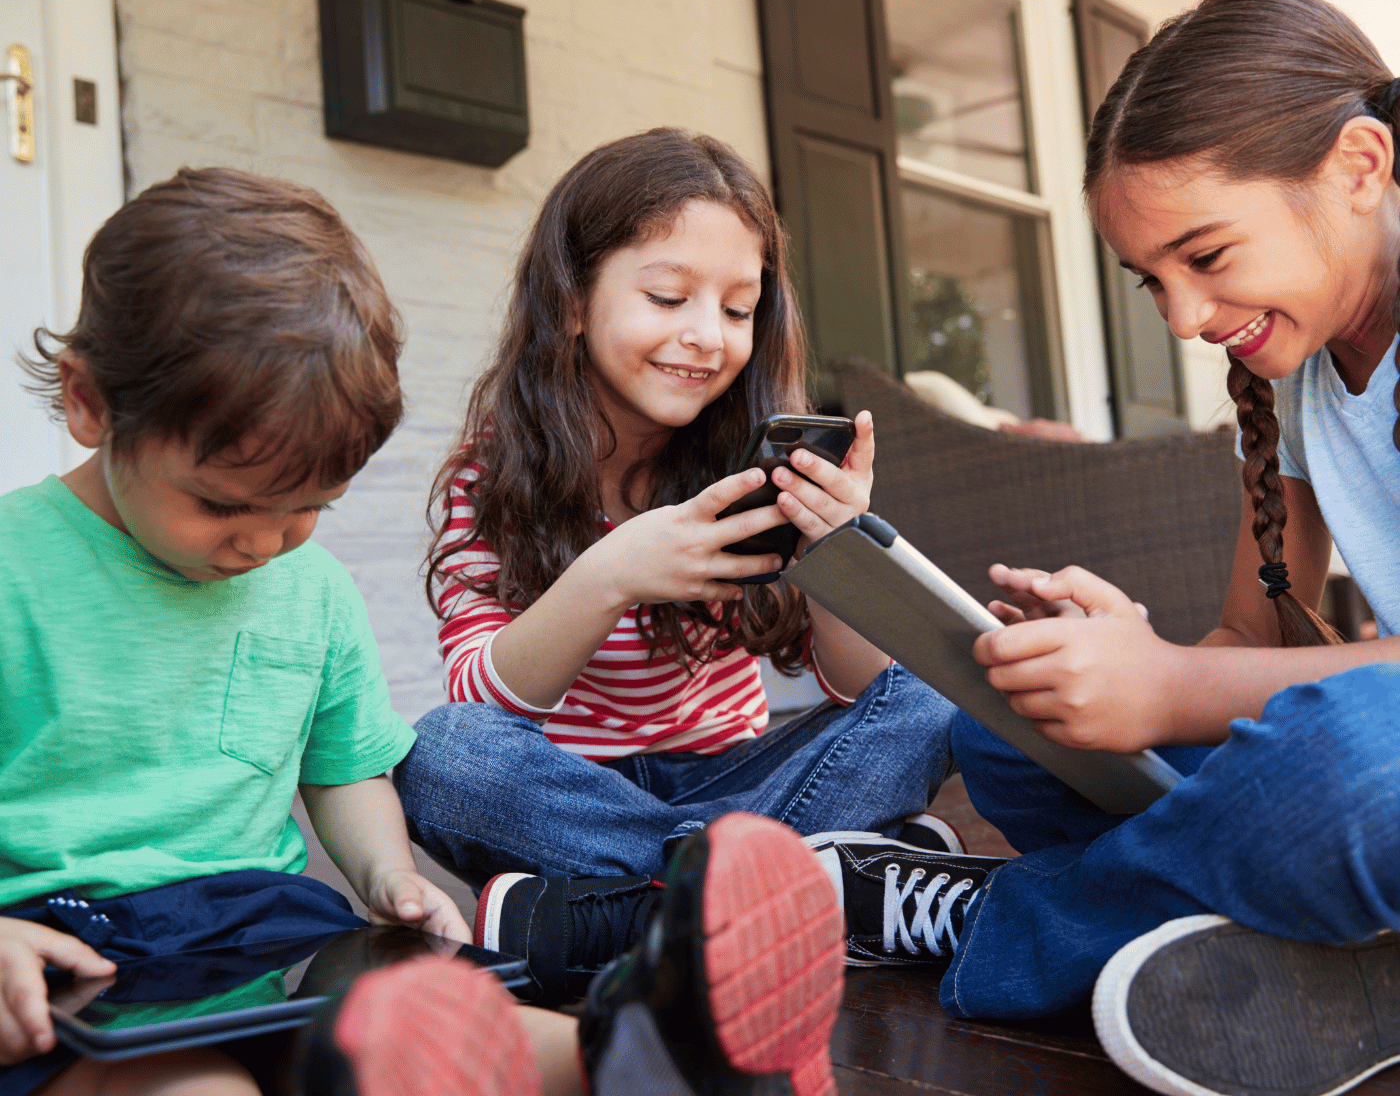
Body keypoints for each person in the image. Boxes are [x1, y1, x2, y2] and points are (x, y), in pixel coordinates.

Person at [816, 0, 1400, 1096]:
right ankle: (1310, 951)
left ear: (1357, 167)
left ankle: (1014, 920)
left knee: (1357, 764)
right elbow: (1243, 632)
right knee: (1010, 729)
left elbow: (1259, 697)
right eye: (1152, 282)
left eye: (1206, 254)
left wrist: (1169, 683)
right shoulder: (1302, 380)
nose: (1183, 318)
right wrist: (1120, 657)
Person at [392, 128, 960, 1003]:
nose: (706, 337)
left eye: (738, 310)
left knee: (925, 694)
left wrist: (839, 552)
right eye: (667, 297)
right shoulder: (494, 471)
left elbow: (857, 689)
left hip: (736, 768)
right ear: (573, 301)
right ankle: (806, 883)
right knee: (441, 755)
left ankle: (631, 911)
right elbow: (481, 695)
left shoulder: (747, 460)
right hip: (570, 796)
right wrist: (610, 571)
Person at [0, 167, 471, 1096]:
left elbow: (344, 771)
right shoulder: (13, 570)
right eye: (223, 504)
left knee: (455, 1040)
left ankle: (636, 1045)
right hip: (64, 964)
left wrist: (387, 878)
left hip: (258, 943)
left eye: (309, 508)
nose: (264, 543)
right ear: (91, 404)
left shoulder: (313, 587)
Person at [297, 812, 847, 1096]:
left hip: (284, 917)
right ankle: (648, 1057)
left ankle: (656, 1052)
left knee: (404, 1024)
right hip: (216, 969)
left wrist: (386, 871)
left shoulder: (314, 598)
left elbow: (344, 767)